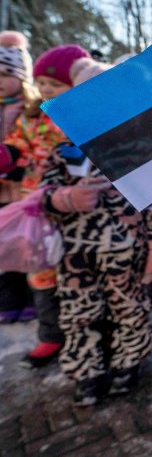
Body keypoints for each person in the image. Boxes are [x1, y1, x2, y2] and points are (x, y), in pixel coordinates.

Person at [40, 57, 152, 406]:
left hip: (124, 249)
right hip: (75, 251)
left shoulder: (136, 148)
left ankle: (128, 363)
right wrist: (65, 198)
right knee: (77, 312)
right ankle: (88, 371)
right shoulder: (61, 151)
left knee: (128, 306)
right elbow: (43, 195)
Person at [1, 44, 89, 369]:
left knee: (75, 274)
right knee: (40, 271)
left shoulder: (79, 117)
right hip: (34, 207)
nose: (47, 90)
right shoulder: (32, 115)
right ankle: (50, 335)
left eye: (55, 84)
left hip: (73, 207)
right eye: (42, 84)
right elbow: (19, 145)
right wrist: (8, 154)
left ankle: (84, 333)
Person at [0, 31, 36, 324]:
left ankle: (31, 299)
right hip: (2, 193)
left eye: (4, 73)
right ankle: (8, 300)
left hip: (24, 190)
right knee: (4, 245)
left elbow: (32, 143)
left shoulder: (29, 109)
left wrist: (18, 164)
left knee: (26, 244)